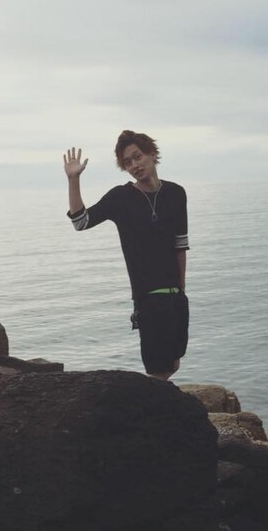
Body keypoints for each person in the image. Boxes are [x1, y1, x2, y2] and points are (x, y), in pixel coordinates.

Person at [63, 130, 189, 381]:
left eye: (137, 157)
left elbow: (180, 245)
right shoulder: (121, 198)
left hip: (176, 297)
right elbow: (80, 221)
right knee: (157, 372)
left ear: (151, 153)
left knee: (174, 363)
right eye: (127, 162)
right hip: (148, 299)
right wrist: (73, 179)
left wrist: (181, 292)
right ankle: (153, 407)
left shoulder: (176, 193)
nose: (134, 165)